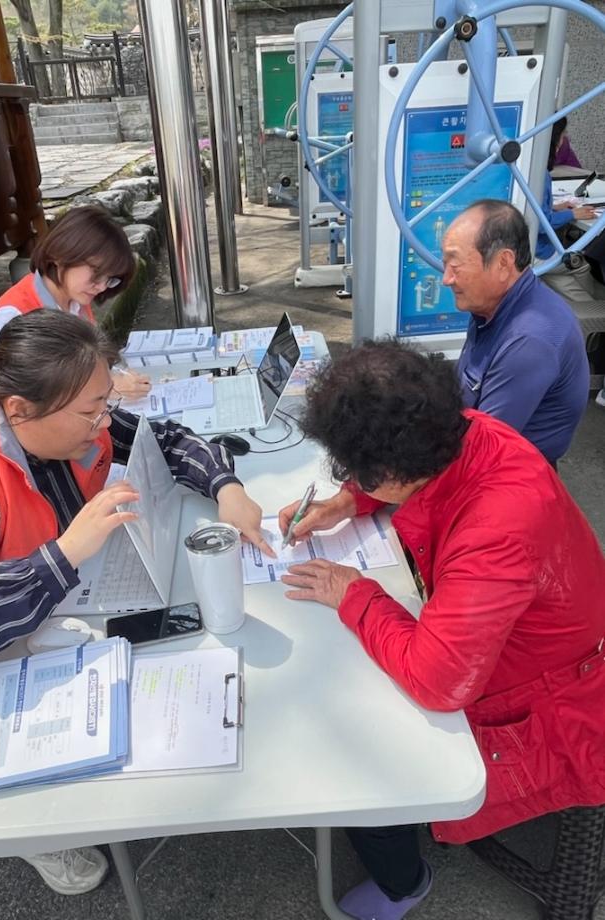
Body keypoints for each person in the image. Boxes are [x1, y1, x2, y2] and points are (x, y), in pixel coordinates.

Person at [0, 309, 271, 896]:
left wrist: (226, 487)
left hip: (52, 603)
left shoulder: (75, 415)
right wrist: (66, 554)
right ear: (19, 410)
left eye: (107, 403)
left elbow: (167, 439)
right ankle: (28, 825)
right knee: (66, 745)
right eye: (93, 411)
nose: (105, 422)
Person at [278, 339, 605, 920]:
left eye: (356, 470)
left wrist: (354, 593)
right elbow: (405, 468)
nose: (352, 478)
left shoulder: (496, 529)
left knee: (359, 753)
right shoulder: (461, 427)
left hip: (549, 696)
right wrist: (346, 503)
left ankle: (402, 883)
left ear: (392, 471)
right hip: (524, 644)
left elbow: (440, 682)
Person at [442, 199, 589, 465]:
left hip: (506, 473)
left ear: (503, 262)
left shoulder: (529, 340)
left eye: (456, 265)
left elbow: (479, 451)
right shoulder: (490, 308)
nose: (446, 279)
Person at [0, 205, 151, 400]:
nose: (102, 286)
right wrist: (105, 388)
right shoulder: (13, 316)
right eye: (96, 273)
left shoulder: (75, 299)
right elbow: (14, 399)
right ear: (60, 254)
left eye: (111, 279)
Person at [536, 118, 604, 303]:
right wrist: (572, 214)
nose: (566, 138)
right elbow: (540, 224)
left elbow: (531, 210)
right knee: (581, 265)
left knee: (565, 275)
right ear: (554, 140)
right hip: (539, 252)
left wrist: (553, 207)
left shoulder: (532, 169)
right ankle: (593, 310)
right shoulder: (541, 175)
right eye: (563, 134)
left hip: (530, 250)